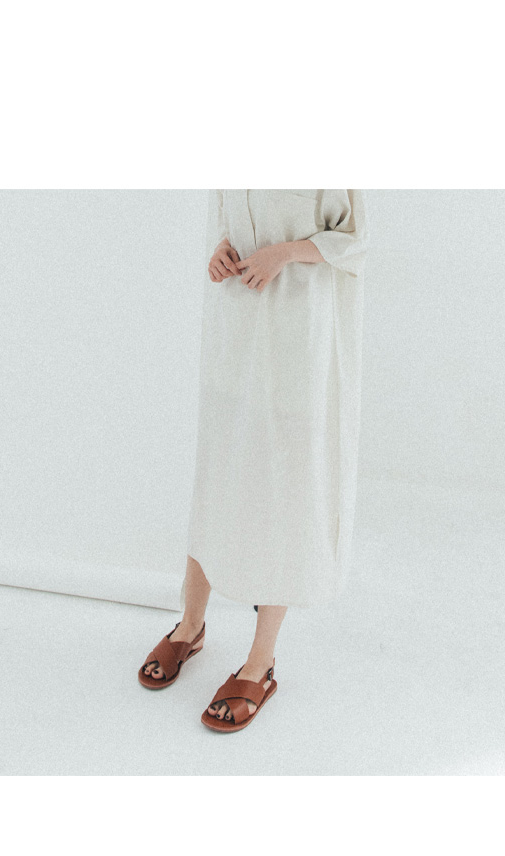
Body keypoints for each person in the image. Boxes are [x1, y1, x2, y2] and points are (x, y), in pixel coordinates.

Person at [139, 190, 368, 732]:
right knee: (217, 475)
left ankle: (261, 663)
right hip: (236, 325)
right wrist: (221, 248)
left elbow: (355, 241)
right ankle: (190, 626)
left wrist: (285, 253)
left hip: (298, 333)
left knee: (283, 487)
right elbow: (228, 215)